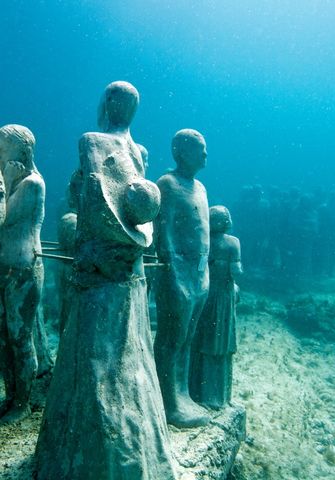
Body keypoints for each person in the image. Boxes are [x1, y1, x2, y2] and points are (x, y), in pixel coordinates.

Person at [35, 82, 177, 479]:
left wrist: (95, 253)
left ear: (107, 105)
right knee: (130, 359)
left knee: (97, 364)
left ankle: (90, 461)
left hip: (101, 271)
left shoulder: (92, 141)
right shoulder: (141, 153)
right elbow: (134, 214)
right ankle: (139, 453)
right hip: (128, 272)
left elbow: (96, 203)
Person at [153, 128, 210, 427]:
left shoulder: (199, 187)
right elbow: (165, 235)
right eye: (199, 148)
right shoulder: (168, 184)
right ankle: (167, 402)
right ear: (180, 151)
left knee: (187, 338)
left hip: (199, 275)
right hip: (176, 275)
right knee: (171, 339)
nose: (205, 154)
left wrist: (204, 275)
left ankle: (182, 394)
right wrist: (173, 275)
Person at [0, 124, 45, 424]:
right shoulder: (16, 180)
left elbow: (2, 219)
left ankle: (23, 402)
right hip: (7, 268)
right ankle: (12, 393)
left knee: (19, 337)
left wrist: (4, 183)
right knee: (4, 337)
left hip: (23, 270)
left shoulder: (31, 184)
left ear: (21, 152)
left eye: (2, 149)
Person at [190, 205, 242, 408]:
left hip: (204, 295)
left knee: (201, 340)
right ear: (226, 222)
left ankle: (197, 391)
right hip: (223, 297)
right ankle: (217, 396)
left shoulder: (203, 240)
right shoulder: (233, 243)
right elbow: (235, 270)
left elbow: (199, 267)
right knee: (220, 343)